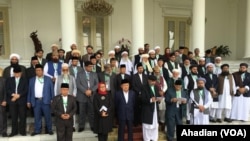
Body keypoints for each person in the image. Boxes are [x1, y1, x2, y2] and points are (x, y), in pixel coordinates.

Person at [27, 64, 54, 136]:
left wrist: (52, 99)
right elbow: (29, 91)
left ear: (42, 71)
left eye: (39, 70)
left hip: (46, 100)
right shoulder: (32, 80)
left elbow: (52, 90)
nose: (38, 72)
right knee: (37, 116)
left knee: (47, 116)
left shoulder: (48, 79)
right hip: (36, 101)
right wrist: (28, 101)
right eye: (36, 70)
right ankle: (37, 130)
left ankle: (49, 129)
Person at [76, 61, 99, 132]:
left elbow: (97, 84)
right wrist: (85, 91)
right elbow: (78, 84)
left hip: (91, 95)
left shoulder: (94, 74)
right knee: (82, 112)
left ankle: (92, 126)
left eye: (92, 66)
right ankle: (81, 126)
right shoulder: (79, 74)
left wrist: (91, 91)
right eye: (89, 66)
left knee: (91, 112)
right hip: (82, 95)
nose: (91, 68)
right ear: (85, 67)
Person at [6, 66, 28, 137]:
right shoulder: (9, 79)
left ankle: (22, 131)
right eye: (15, 73)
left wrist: (19, 95)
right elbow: (7, 89)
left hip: (21, 100)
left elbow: (26, 90)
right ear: (13, 73)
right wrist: (14, 95)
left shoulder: (25, 80)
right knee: (13, 117)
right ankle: (14, 132)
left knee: (22, 117)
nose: (17, 74)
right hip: (12, 101)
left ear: (21, 73)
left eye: (18, 73)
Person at [141, 75, 161, 141]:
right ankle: (147, 139)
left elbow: (157, 96)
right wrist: (150, 100)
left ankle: (154, 138)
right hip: (147, 109)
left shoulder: (156, 87)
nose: (153, 83)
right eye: (152, 81)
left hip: (155, 108)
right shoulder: (144, 87)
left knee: (155, 125)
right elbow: (142, 99)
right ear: (148, 80)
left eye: (154, 81)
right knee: (147, 126)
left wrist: (159, 99)